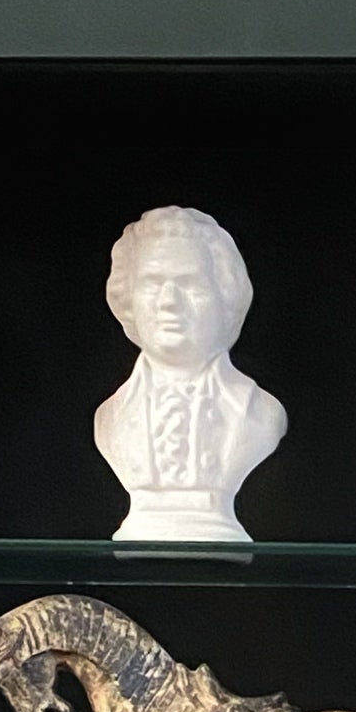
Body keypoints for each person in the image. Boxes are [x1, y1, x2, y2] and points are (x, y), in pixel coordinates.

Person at [92, 204, 288, 542]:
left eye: (190, 284)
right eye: (152, 284)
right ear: (127, 300)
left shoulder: (259, 413)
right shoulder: (111, 418)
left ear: (224, 298)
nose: (169, 302)